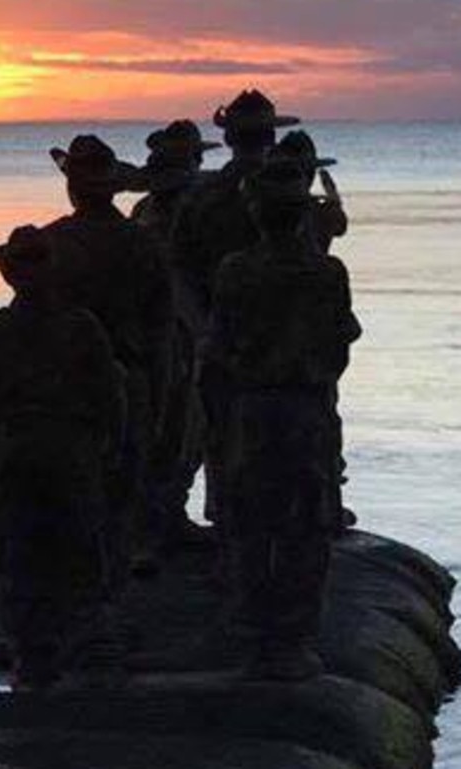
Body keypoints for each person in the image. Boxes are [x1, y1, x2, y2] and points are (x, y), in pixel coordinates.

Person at [200, 160, 362, 680]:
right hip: (305, 407)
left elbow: (218, 345)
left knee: (251, 521)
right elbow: (344, 338)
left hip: (252, 408)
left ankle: (256, 635)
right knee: (305, 524)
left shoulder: (234, 270)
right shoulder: (327, 271)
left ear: (255, 212)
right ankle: (292, 638)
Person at [0, 225, 127, 691]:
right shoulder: (81, 327)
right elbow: (112, 397)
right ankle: (84, 650)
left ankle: (35, 658)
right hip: (65, 451)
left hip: (17, 452)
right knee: (77, 550)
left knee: (16, 557)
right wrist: (111, 447)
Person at [45, 135, 176, 574]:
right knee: (123, 496)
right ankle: (114, 599)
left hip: (68, 391)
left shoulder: (50, 245)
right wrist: (160, 398)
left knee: (69, 504)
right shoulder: (144, 244)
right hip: (129, 381)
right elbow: (161, 332)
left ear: (71, 188)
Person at [172, 89, 300, 532]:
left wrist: (203, 331)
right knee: (290, 450)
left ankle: (230, 534)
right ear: (270, 135)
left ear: (227, 139)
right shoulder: (289, 195)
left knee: (223, 440)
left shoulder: (200, 197)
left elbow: (179, 274)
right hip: (286, 345)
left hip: (221, 341)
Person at [132, 120, 222, 550]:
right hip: (170, 329)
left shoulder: (185, 203)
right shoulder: (170, 207)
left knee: (183, 428)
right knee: (176, 426)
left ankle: (164, 513)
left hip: (178, 327)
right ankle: (161, 517)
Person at [272, 130, 355, 531]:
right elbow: (338, 224)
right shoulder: (315, 215)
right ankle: (326, 508)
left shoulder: (264, 211)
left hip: (271, 342)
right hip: (307, 340)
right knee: (321, 424)